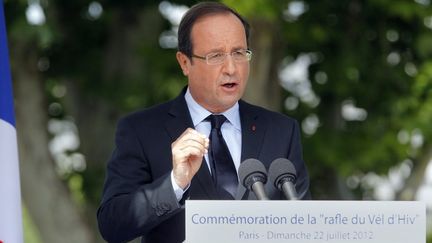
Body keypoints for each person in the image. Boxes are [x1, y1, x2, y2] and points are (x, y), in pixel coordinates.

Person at [97, 2, 310, 243]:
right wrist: (175, 183)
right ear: (184, 62)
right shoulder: (141, 131)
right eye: (216, 55)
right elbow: (112, 226)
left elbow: (303, 225)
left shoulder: (281, 131)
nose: (231, 68)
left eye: (239, 53)